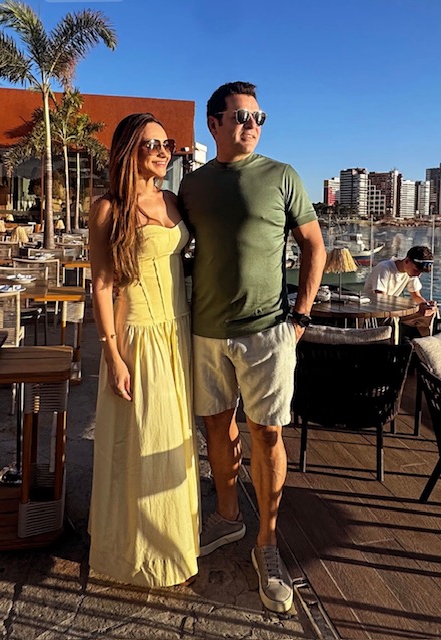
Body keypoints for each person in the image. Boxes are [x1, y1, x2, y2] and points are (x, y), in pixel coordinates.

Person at [179, 81, 326, 613]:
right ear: (213, 123)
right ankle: (227, 518)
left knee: (267, 434)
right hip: (205, 330)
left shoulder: (282, 175)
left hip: (267, 330)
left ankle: (267, 544)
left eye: (258, 117)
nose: (252, 125)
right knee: (217, 428)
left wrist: (301, 315)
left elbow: (314, 246)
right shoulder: (192, 185)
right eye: (241, 116)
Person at [88, 113, 200, 587]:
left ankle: (175, 542)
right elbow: (101, 285)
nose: (161, 151)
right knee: (141, 442)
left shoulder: (172, 199)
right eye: (150, 144)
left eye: (166, 144)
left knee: (176, 441)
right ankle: (138, 553)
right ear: (127, 150)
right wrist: (112, 354)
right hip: (138, 334)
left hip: (179, 330)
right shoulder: (107, 209)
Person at [364, 245, 436, 337]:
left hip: (392, 310)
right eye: (416, 270)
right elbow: (381, 299)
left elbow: (416, 296)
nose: (418, 275)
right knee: (391, 317)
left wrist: (426, 305)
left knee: (429, 313)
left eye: (420, 272)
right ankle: (396, 343)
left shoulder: (411, 273)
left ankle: (423, 342)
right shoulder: (384, 268)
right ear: (407, 261)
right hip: (376, 312)